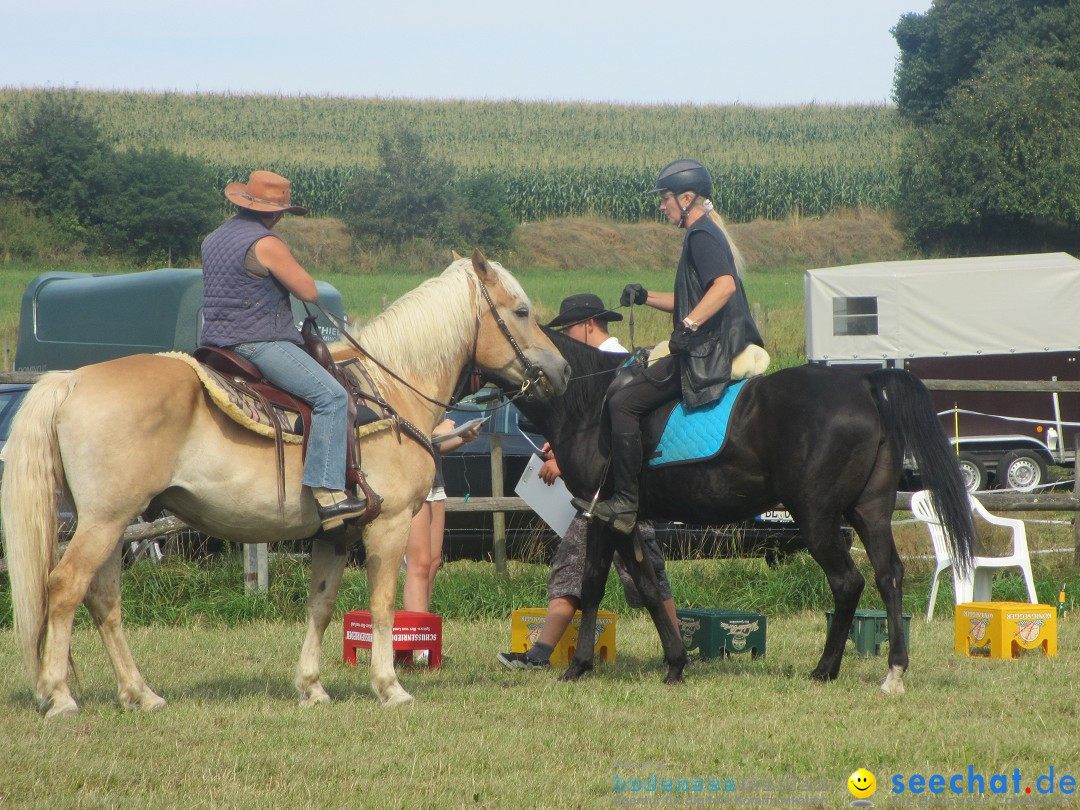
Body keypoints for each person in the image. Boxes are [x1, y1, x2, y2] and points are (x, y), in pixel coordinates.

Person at [571, 159, 768, 535]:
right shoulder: (707, 233)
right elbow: (693, 300)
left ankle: (627, 503)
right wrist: (645, 297)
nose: (662, 206)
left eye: (665, 199)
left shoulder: (700, 235)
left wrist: (689, 326)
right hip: (715, 344)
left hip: (710, 351)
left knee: (623, 401)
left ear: (687, 198)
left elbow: (723, 286)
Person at [497, 294, 679, 671]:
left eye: (568, 329)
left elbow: (616, 436)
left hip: (619, 491)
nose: (564, 337)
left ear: (589, 325)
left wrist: (565, 461)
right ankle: (542, 653)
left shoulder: (621, 365)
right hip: (600, 493)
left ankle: (675, 648)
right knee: (579, 565)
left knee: (643, 571)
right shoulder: (592, 370)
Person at [200, 170, 369, 532]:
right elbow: (308, 291)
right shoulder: (266, 243)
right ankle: (329, 493)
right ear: (275, 213)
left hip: (214, 343)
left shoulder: (213, 239)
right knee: (333, 397)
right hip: (259, 342)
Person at [404, 417, 482, 615]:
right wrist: (435, 430)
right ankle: (416, 640)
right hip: (413, 480)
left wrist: (462, 438)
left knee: (432, 562)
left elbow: (436, 446)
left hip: (435, 481)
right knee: (419, 564)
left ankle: (423, 631)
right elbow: (397, 433)